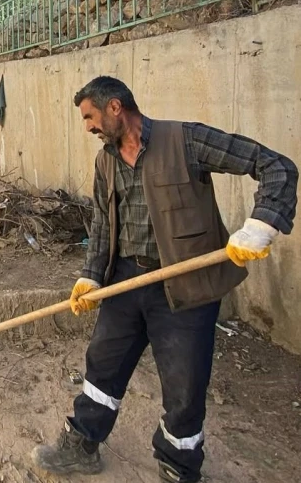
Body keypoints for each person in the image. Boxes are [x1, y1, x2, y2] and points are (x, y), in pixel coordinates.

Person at [30, 76, 298, 483]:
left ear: (115, 107)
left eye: (90, 117)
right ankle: (82, 443)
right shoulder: (105, 161)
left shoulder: (185, 141)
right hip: (126, 280)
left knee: (184, 385)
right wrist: (90, 278)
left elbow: (276, 165)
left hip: (184, 286)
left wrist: (261, 224)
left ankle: (177, 465)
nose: (87, 127)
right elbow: (102, 225)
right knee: (102, 364)